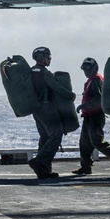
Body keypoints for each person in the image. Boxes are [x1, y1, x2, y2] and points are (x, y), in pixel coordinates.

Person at [27, 46, 75, 179]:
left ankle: (43, 171)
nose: (50, 59)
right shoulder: (44, 72)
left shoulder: (31, 71)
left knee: (45, 137)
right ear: (41, 58)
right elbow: (56, 87)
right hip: (46, 108)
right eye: (48, 56)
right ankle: (40, 162)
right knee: (56, 134)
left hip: (36, 109)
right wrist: (70, 95)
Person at [72, 57, 110, 175]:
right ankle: (86, 166)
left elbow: (99, 99)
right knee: (84, 143)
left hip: (95, 116)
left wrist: (84, 106)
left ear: (94, 68)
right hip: (88, 117)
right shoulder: (91, 80)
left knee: (97, 142)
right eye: (84, 68)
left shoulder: (97, 81)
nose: (86, 70)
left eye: (88, 67)